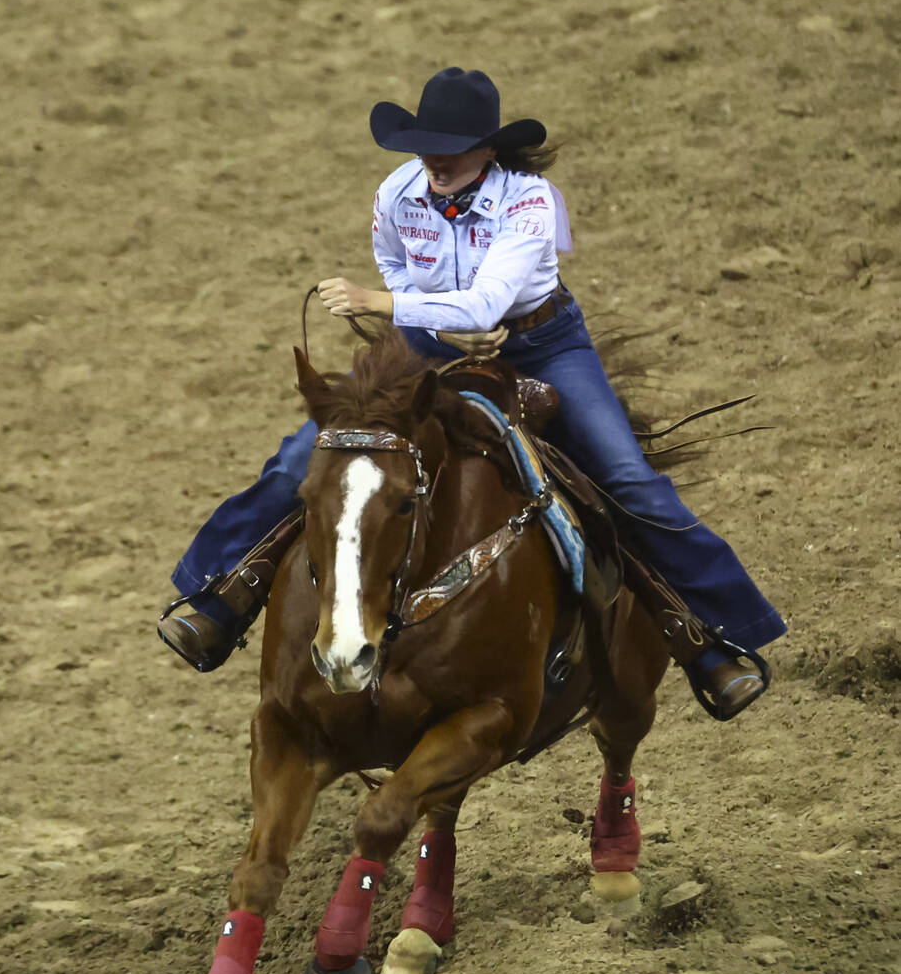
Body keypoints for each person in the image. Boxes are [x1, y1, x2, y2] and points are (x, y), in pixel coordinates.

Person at [158, 67, 786, 720]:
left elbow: (485, 301)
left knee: (627, 479)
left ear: (490, 150)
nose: (434, 158)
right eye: (426, 143)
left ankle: (712, 635)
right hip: (430, 341)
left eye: (452, 145)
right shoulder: (396, 192)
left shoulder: (531, 201)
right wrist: (434, 327)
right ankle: (220, 595)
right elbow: (400, 267)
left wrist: (378, 302)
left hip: (542, 343)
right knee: (310, 459)